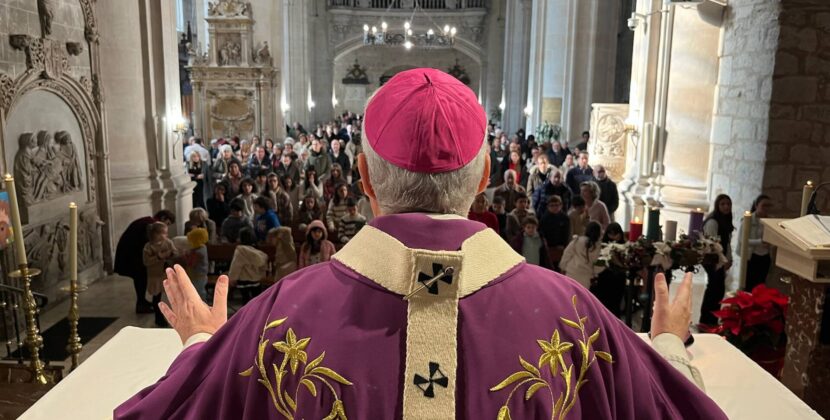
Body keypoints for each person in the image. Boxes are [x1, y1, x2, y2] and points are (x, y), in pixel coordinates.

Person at [117, 68, 724, 419]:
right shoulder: (575, 317)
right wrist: (669, 342)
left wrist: (202, 341)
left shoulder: (277, 317)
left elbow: (178, 412)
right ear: (485, 179)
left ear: (362, 178)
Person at [113, 210, 175, 314]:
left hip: (131, 252)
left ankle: (142, 302)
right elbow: (150, 243)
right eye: (167, 223)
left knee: (140, 277)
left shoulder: (148, 222)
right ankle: (141, 304)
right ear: (163, 218)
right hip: (132, 254)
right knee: (140, 277)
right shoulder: (152, 225)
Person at [700, 194, 734, 326]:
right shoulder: (713, 221)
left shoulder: (725, 220)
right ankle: (706, 320)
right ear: (717, 206)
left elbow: (727, 243)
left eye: (728, 204)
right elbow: (712, 244)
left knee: (718, 289)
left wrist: (729, 259)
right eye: (723, 204)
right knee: (715, 289)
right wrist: (722, 261)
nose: (726, 207)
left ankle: (711, 319)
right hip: (712, 260)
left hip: (720, 260)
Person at [142, 221, 178, 327]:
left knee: (167, 295)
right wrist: (158, 257)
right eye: (164, 233)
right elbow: (146, 262)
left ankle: (171, 316)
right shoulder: (148, 247)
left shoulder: (168, 242)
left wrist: (170, 254)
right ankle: (158, 317)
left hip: (165, 274)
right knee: (156, 297)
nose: (166, 235)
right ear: (156, 234)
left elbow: (175, 253)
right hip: (154, 275)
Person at [738, 194, 774, 291]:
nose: (766, 208)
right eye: (764, 205)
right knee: (749, 284)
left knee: (760, 285)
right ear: (756, 205)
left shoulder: (771, 220)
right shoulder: (747, 220)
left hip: (765, 256)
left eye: (769, 206)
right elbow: (743, 240)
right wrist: (760, 242)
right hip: (752, 256)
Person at [592, 223, 626, 315]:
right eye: (611, 234)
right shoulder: (602, 245)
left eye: (616, 234)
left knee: (616, 302)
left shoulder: (624, 246)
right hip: (605, 276)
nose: (613, 237)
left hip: (618, 276)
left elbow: (624, 264)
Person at [227, 228, 268, 303]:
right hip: (256, 280)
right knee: (257, 300)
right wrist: (262, 274)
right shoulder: (257, 251)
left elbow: (236, 266)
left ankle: (247, 314)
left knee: (245, 300)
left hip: (243, 280)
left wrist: (232, 278)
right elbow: (263, 265)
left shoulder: (240, 251)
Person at [560, 221, 603, 289]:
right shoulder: (599, 248)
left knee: (569, 296)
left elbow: (566, 254)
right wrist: (594, 274)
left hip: (571, 272)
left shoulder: (577, 240)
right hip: (586, 277)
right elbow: (598, 267)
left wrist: (562, 267)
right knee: (581, 298)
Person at [538, 195, 570, 271]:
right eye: (552, 205)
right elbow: (542, 234)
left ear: (561, 205)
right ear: (548, 206)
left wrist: (563, 245)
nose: (555, 207)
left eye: (557, 205)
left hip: (561, 247)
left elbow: (566, 233)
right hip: (548, 248)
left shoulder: (565, 218)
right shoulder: (544, 218)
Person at [182, 227, 209, 302]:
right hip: (201, 275)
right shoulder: (203, 247)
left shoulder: (198, 252)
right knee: (199, 292)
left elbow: (191, 263)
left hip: (197, 276)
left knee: (198, 293)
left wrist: (184, 256)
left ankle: (203, 308)